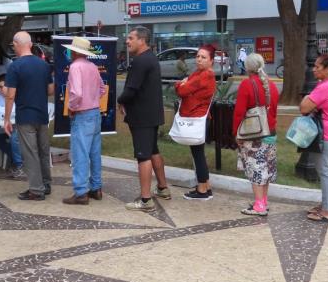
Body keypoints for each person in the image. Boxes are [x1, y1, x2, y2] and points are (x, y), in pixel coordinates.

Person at [117, 25, 168, 211]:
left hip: (142, 117)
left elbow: (131, 89)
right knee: (153, 150)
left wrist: (120, 101)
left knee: (143, 155)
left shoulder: (140, 61)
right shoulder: (151, 58)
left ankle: (146, 200)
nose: (127, 41)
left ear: (142, 40)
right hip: (152, 114)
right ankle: (163, 188)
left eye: (131, 38)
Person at [5, 31, 54, 200]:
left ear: (16, 45)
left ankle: (36, 189)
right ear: (31, 45)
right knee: (42, 151)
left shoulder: (15, 66)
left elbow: (10, 95)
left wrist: (6, 119)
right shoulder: (44, 65)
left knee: (30, 153)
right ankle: (46, 184)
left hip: (25, 115)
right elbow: (50, 90)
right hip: (42, 115)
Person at [232, 53, 279, 215]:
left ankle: (259, 206)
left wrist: (236, 133)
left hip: (254, 135)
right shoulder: (271, 85)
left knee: (256, 169)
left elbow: (239, 112)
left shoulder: (247, 84)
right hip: (271, 133)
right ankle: (263, 201)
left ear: (247, 68)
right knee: (266, 169)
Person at [62, 36, 105, 205]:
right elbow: (102, 88)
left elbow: (77, 93)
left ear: (74, 51)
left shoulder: (75, 67)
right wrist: (92, 97)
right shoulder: (93, 66)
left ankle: (81, 192)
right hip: (95, 112)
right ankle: (96, 188)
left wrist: (72, 106)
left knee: (80, 154)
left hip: (82, 113)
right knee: (95, 153)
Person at [300, 54, 328, 222]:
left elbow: (303, 107)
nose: (314, 69)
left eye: (318, 67)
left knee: (324, 170)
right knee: (324, 169)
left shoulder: (325, 87)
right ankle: (326, 204)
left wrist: (306, 98)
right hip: (327, 131)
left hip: (324, 133)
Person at [174, 44, 217, 200]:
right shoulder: (199, 73)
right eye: (198, 56)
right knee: (198, 154)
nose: (199, 59)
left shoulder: (205, 75)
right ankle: (206, 186)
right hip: (198, 118)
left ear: (211, 61)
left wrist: (180, 84)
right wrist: (184, 84)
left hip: (197, 119)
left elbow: (182, 91)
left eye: (203, 57)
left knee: (198, 155)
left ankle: (202, 190)